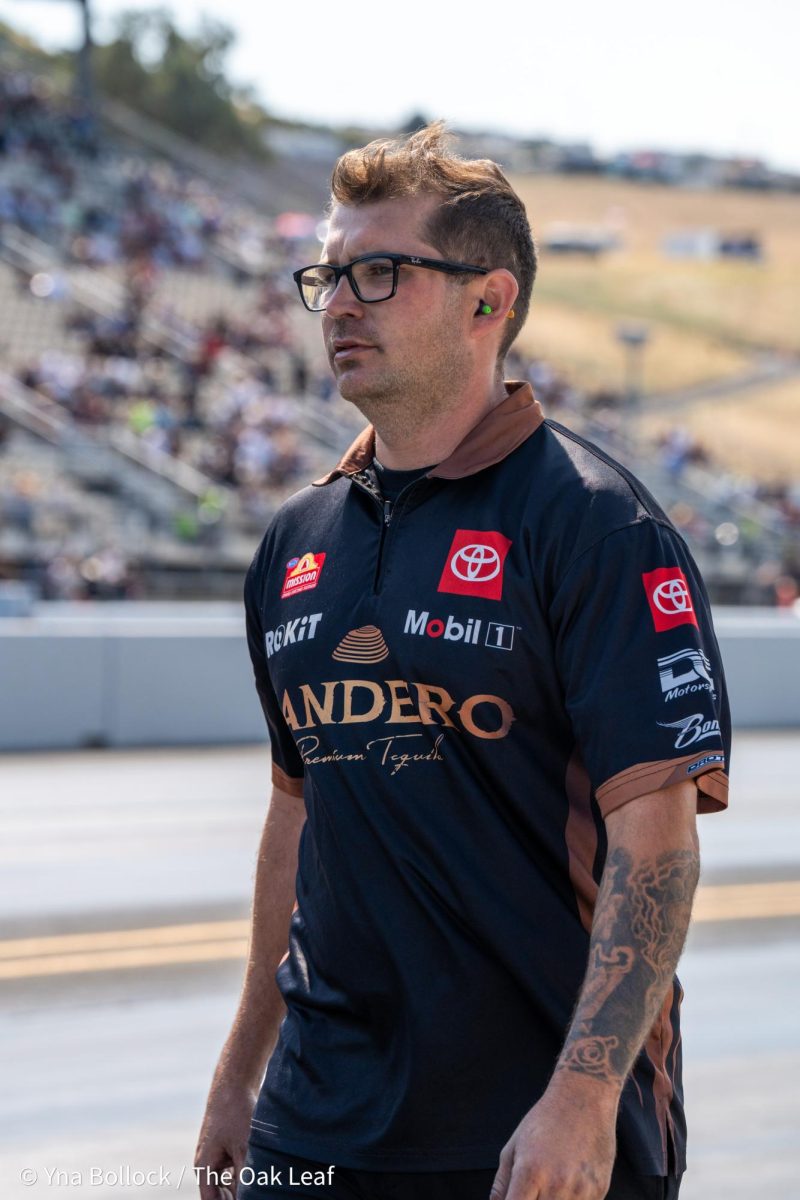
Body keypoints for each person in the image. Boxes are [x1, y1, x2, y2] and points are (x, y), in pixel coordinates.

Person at [195, 124, 731, 1200]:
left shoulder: (594, 527)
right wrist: (240, 1070)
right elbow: (298, 818)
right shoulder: (296, 540)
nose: (337, 303)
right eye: (328, 275)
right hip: (316, 1124)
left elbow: (656, 844)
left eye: (378, 273)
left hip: (526, 1138)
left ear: (487, 301)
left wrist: (580, 1101)